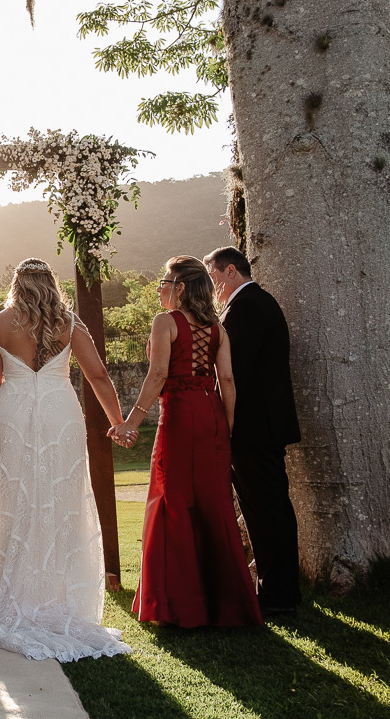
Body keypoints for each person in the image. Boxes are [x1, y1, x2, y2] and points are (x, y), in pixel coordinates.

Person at [0, 258, 132, 661]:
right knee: (63, 502)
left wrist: (0, 427)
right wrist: (119, 421)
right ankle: (58, 596)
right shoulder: (70, 322)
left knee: (16, 501)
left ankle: (15, 595)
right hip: (61, 415)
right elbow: (97, 375)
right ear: (51, 285)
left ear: (16, 284)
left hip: (14, 414)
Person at [112, 255, 262, 628]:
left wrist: (132, 420)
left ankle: (177, 607)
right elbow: (226, 381)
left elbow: (159, 372)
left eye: (165, 282)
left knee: (172, 500)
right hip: (211, 413)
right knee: (215, 505)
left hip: (179, 414)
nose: (161, 288)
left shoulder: (165, 322)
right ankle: (226, 605)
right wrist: (225, 428)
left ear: (180, 288)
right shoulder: (217, 328)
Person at [204, 246, 302, 617]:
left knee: (266, 509)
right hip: (262, 426)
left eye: (214, 277)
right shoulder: (256, 303)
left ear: (230, 271)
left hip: (254, 427)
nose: (213, 286)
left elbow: (233, 372)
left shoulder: (245, 307)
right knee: (267, 507)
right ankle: (280, 590)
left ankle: (277, 596)